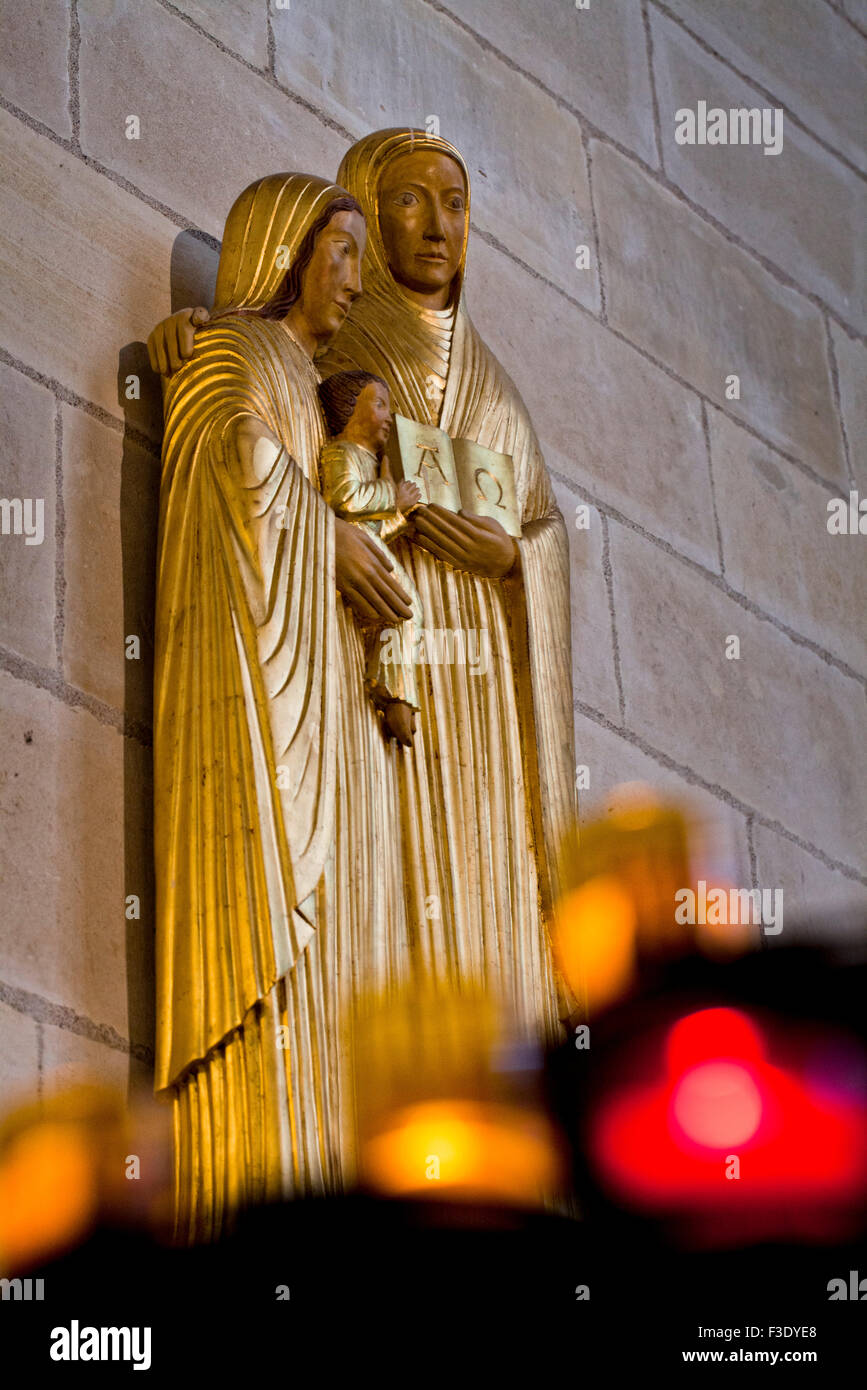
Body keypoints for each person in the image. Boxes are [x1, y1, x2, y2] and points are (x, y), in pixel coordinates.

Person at [149, 128, 580, 1105]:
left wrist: (514, 557)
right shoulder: (338, 340)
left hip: (486, 718)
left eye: (456, 203)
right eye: (410, 201)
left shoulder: (503, 398)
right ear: (357, 218)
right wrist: (191, 336)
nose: (437, 225)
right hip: (376, 677)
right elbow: (255, 410)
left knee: (490, 952)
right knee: (380, 940)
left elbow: (545, 529)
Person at [152, 173, 413, 1242]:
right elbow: (224, 464)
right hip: (256, 733)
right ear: (283, 255)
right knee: (282, 990)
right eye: (341, 253)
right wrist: (328, 536)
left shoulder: (314, 395)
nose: (358, 281)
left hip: (334, 741)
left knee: (346, 988)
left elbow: (330, 515)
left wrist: (352, 471)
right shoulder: (232, 355)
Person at [318, 370, 423, 747]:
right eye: (379, 404)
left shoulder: (366, 460)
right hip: (355, 549)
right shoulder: (340, 452)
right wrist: (389, 495)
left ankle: (394, 690)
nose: (388, 416)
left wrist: (402, 516)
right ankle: (394, 695)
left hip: (366, 544)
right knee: (405, 606)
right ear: (348, 409)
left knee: (407, 608)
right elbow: (343, 499)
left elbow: (373, 525)